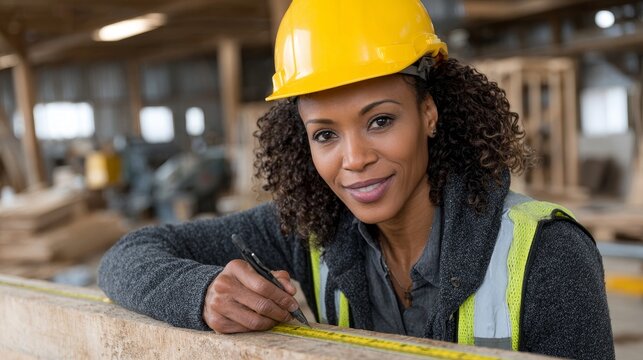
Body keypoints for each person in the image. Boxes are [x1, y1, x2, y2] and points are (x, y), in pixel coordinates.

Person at [98, 0, 614, 358]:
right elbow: (127, 257)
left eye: (380, 121)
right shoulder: (314, 234)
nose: (355, 159)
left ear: (430, 113)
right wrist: (202, 291)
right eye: (325, 135)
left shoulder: (546, 256)